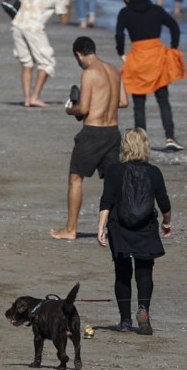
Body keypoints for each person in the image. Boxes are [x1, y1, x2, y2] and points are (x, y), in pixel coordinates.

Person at [96, 128, 172, 335]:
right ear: (145, 146)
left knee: (122, 272)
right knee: (144, 271)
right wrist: (167, 222)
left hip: (119, 226)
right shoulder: (154, 172)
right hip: (145, 227)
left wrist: (100, 227)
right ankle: (143, 309)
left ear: (124, 147)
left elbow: (107, 200)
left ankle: (125, 321)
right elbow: (164, 202)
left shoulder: (113, 170)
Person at [52, 36, 127, 240]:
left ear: (78, 54)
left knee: (76, 178)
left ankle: (70, 229)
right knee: (114, 182)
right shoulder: (113, 69)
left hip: (93, 132)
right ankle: (120, 228)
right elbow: (123, 101)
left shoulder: (89, 73)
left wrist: (70, 109)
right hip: (113, 132)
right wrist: (102, 102)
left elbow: (83, 108)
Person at [115, 0, 187, 151]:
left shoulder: (125, 12)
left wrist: (120, 52)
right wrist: (173, 48)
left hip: (138, 57)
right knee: (163, 100)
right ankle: (170, 137)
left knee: (139, 103)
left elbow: (120, 33)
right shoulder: (156, 10)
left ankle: (140, 142)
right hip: (157, 56)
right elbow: (174, 26)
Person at [11, 0, 70, 108]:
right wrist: (67, 3)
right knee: (46, 63)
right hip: (34, 28)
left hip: (18, 23)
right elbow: (64, 19)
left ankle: (27, 98)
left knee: (27, 63)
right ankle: (35, 97)